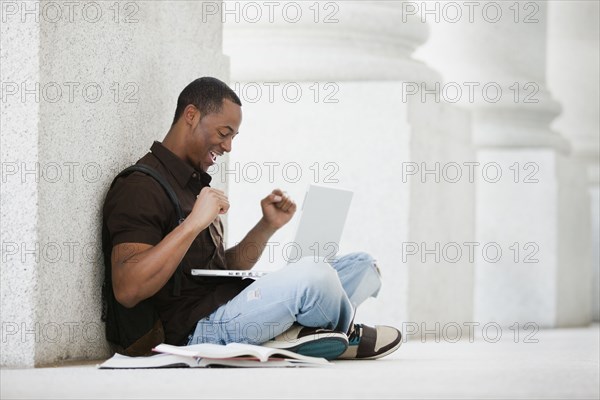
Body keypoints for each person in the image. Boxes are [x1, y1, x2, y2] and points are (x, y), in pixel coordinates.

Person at [103, 77, 402, 360]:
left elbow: (222, 271)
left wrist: (267, 225)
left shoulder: (194, 187)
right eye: (224, 133)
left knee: (363, 267)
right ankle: (342, 333)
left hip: (229, 306)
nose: (229, 147)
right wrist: (193, 223)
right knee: (316, 276)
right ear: (191, 115)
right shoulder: (140, 187)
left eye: (233, 137)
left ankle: (306, 331)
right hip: (194, 332)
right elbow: (128, 289)